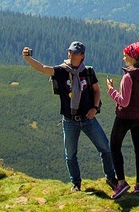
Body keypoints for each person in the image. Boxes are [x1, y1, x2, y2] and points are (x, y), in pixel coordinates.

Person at [22, 41, 117, 193]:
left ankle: (111, 178)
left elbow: (97, 91)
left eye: (75, 53)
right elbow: (43, 69)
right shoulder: (61, 70)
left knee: (105, 147)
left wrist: (94, 108)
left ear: (82, 56)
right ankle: (76, 184)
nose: (71, 55)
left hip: (88, 118)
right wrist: (28, 59)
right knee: (71, 154)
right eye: (70, 52)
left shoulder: (88, 71)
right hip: (70, 120)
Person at [106, 40, 139, 199]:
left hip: (125, 117)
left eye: (125, 56)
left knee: (114, 146)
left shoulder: (128, 77)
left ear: (132, 57)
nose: (123, 59)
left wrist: (111, 90)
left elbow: (124, 102)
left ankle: (121, 183)